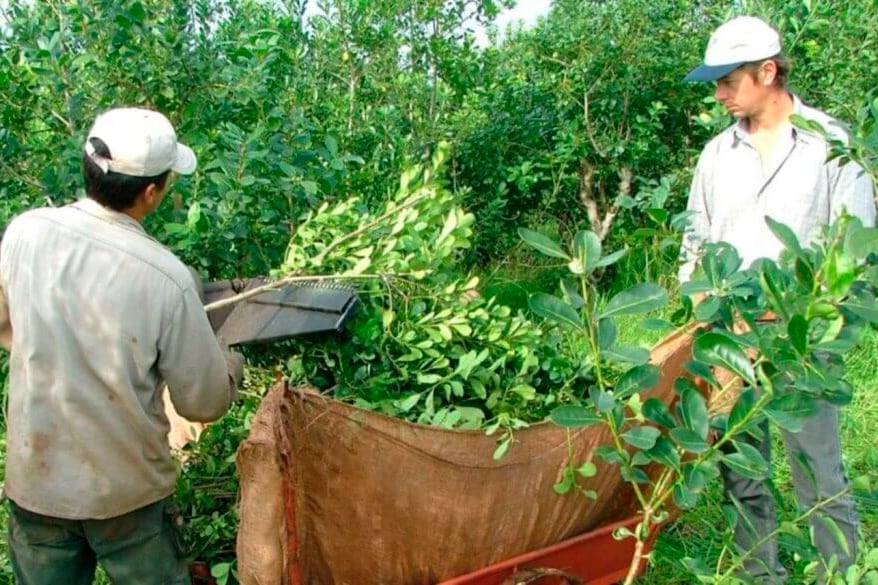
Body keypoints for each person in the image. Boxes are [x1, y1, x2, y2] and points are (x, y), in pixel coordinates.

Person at [0, 107, 244, 584]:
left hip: (38, 481)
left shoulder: (25, 233)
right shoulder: (167, 278)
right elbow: (203, 402)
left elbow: (5, 324)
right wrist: (229, 364)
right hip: (127, 498)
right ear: (151, 192)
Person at [679, 16, 875, 584]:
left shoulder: (830, 145)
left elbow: (855, 247)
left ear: (768, 72)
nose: (718, 94)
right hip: (730, 339)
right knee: (742, 470)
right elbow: (696, 242)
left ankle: (838, 575)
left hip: (804, 339)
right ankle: (761, 576)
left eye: (728, 80)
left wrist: (812, 322)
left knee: (817, 468)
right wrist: (708, 320)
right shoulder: (716, 155)